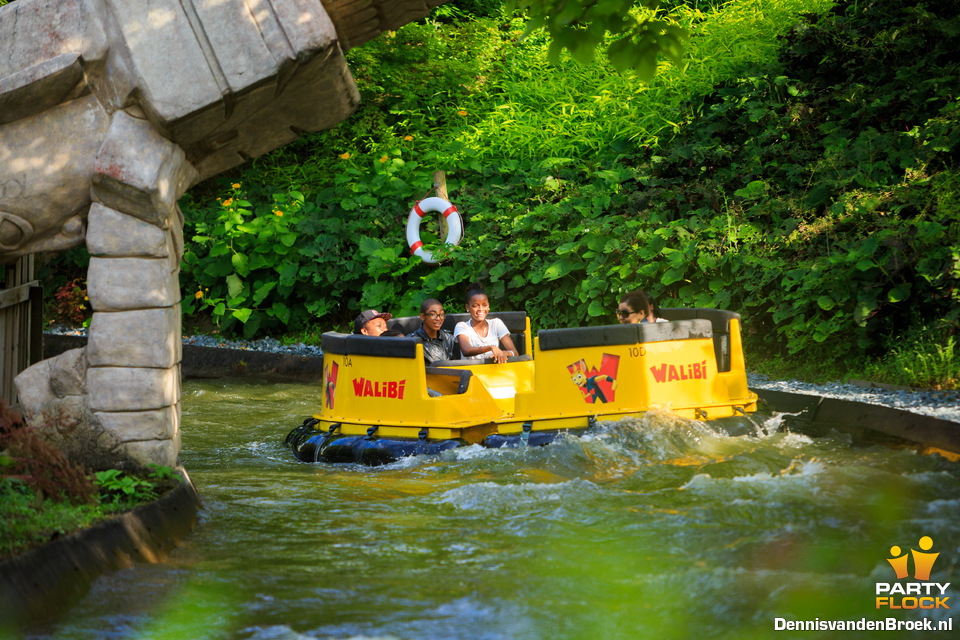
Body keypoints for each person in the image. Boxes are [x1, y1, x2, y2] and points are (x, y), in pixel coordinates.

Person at [454, 283, 517, 364]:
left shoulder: (496, 323)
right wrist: (490, 348)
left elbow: (515, 352)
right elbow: (466, 350)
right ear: (467, 307)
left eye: (484, 305)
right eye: (475, 306)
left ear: (488, 306)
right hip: (471, 373)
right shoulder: (462, 326)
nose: (481, 309)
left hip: (494, 372)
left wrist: (506, 353)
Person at [410, 298, 456, 364]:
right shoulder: (412, 341)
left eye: (441, 314)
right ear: (422, 316)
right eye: (433, 314)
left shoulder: (449, 338)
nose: (438, 318)